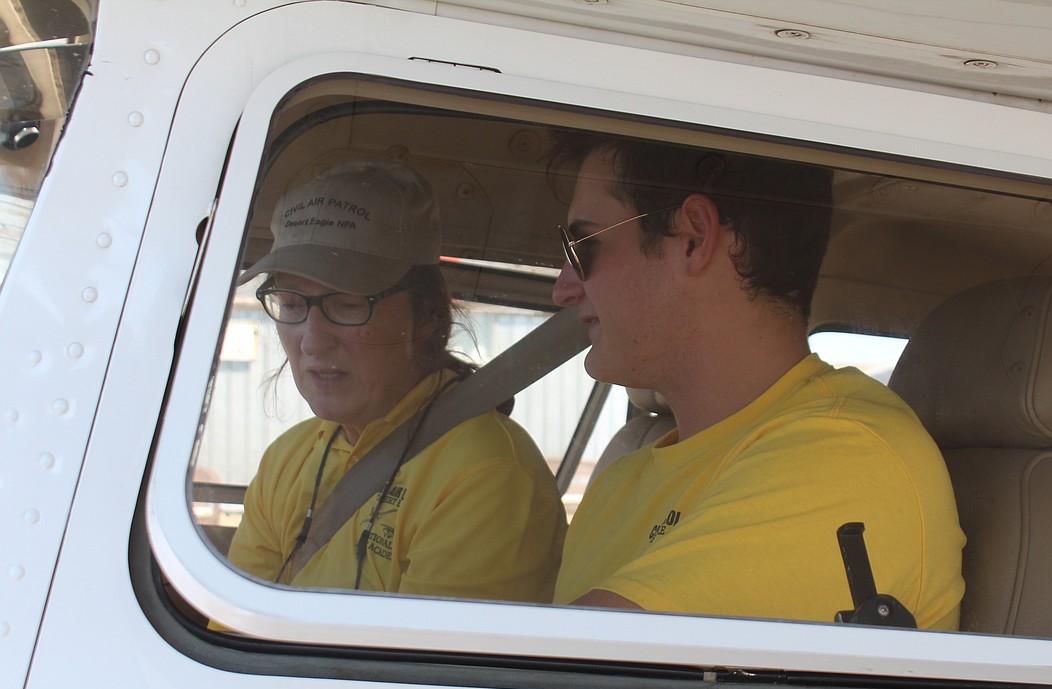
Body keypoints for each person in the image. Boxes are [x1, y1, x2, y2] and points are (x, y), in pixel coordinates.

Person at [548, 134, 966, 628]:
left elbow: (558, 676)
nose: (562, 289)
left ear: (694, 238)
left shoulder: (846, 455)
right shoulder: (619, 482)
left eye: (583, 246)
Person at [227, 161, 565, 602]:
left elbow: (430, 667)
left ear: (427, 316)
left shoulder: (485, 474)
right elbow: (234, 623)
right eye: (291, 303)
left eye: (347, 305)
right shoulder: (287, 458)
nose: (311, 341)